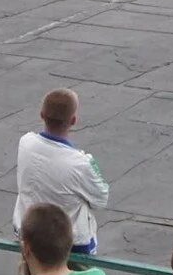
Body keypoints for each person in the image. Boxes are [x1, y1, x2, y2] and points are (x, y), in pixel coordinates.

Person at [13, 89, 111, 257]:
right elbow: (101, 199)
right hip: (69, 245)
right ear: (73, 120)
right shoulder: (81, 163)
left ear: (42, 114)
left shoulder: (25, 143)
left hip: (29, 235)